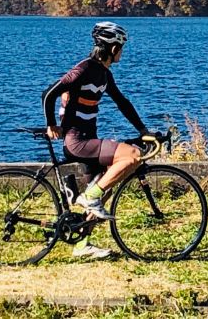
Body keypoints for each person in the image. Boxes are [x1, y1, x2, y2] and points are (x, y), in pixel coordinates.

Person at [41, 21, 150, 259]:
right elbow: (49, 93)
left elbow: (122, 102)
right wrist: (51, 124)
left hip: (87, 139)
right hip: (76, 142)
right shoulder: (84, 69)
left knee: (105, 188)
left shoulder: (103, 74)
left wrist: (143, 130)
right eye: (121, 47)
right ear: (112, 48)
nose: (122, 52)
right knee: (133, 156)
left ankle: (82, 245)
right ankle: (89, 197)